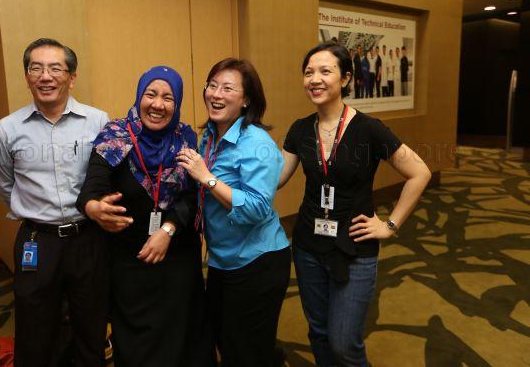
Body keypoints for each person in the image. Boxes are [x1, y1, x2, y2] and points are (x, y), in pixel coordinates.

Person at [279, 42, 431, 366]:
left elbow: (419, 172)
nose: (314, 79)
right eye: (308, 72)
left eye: (325, 71)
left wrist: (390, 225)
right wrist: (220, 177)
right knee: (319, 333)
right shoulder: (300, 129)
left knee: (345, 343)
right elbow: (275, 179)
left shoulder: (369, 130)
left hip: (355, 246)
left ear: (346, 78)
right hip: (308, 245)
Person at [76, 66, 214, 367]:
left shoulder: (186, 138)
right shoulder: (114, 137)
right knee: (138, 347)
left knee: (182, 339)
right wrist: (95, 208)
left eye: (168, 98)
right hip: (129, 260)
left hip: (176, 256)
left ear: (176, 104)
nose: (158, 104)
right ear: (139, 97)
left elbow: (192, 195)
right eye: (151, 94)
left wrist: (168, 229)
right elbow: (91, 190)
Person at [0, 38, 111, 366]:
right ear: (27, 76)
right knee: (35, 328)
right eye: (36, 68)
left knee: (92, 324)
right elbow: (5, 185)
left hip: (88, 238)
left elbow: (106, 177)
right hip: (37, 241)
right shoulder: (7, 129)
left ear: (72, 77)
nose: (46, 76)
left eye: (56, 68)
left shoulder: (98, 122)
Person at [176, 58, 290, 367]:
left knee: (246, 352)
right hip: (222, 259)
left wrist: (207, 178)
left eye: (227, 88)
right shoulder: (209, 135)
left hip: (258, 261)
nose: (216, 94)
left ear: (246, 99)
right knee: (225, 341)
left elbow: (256, 207)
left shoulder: (258, 144)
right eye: (212, 86)